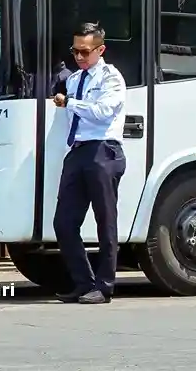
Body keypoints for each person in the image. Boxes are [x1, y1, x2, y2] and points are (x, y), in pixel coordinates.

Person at [51, 22, 127, 304]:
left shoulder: (111, 77)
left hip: (104, 150)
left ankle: (104, 286)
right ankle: (83, 283)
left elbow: (103, 112)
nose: (79, 57)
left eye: (85, 51)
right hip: (78, 150)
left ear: (100, 49)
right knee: (64, 222)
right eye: (75, 51)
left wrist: (70, 103)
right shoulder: (72, 80)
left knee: (105, 221)